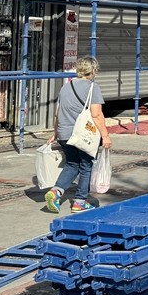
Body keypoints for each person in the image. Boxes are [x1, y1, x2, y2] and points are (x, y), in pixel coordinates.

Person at [45, 56, 112, 213]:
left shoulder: (65, 87)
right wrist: (106, 135)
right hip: (81, 135)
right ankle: (80, 201)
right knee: (86, 165)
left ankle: (55, 192)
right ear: (93, 70)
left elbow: (57, 113)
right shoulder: (92, 88)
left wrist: (55, 133)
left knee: (72, 164)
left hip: (64, 132)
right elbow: (96, 114)